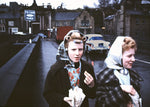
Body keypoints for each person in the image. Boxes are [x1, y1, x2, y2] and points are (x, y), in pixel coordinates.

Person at [43, 30, 96, 107]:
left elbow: (92, 95)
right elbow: (48, 94)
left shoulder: (87, 67)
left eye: (80, 49)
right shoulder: (56, 69)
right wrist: (63, 99)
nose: (77, 53)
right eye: (73, 49)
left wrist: (92, 85)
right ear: (66, 49)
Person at [95, 36, 143, 107]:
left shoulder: (133, 75)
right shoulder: (104, 77)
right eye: (129, 56)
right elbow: (101, 104)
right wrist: (121, 90)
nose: (133, 59)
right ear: (118, 56)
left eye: (133, 55)